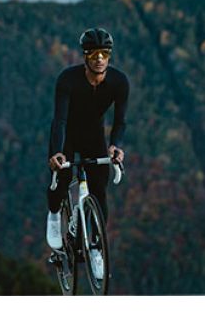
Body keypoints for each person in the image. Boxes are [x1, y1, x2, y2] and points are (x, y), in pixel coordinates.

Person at [46, 27, 130, 280]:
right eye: (93, 53)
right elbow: (59, 120)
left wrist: (115, 146)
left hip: (94, 135)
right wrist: (57, 152)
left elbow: (120, 121)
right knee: (62, 177)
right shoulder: (68, 80)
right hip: (68, 134)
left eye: (104, 53)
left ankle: (95, 247)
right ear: (85, 55)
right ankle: (54, 215)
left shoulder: (119, 82)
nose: (99, 58)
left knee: (99, 189)